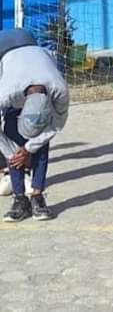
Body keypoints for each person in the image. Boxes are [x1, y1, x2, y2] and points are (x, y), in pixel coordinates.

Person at [0, 29, 69, 222]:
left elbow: (56, 125)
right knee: (11, 133)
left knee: (41, 144)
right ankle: (19, 199)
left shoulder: (59, 90)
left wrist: (29, 148)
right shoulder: (6, 92)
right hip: (4, 52)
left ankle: (37, 196)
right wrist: (13, 153)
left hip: (34, 49)